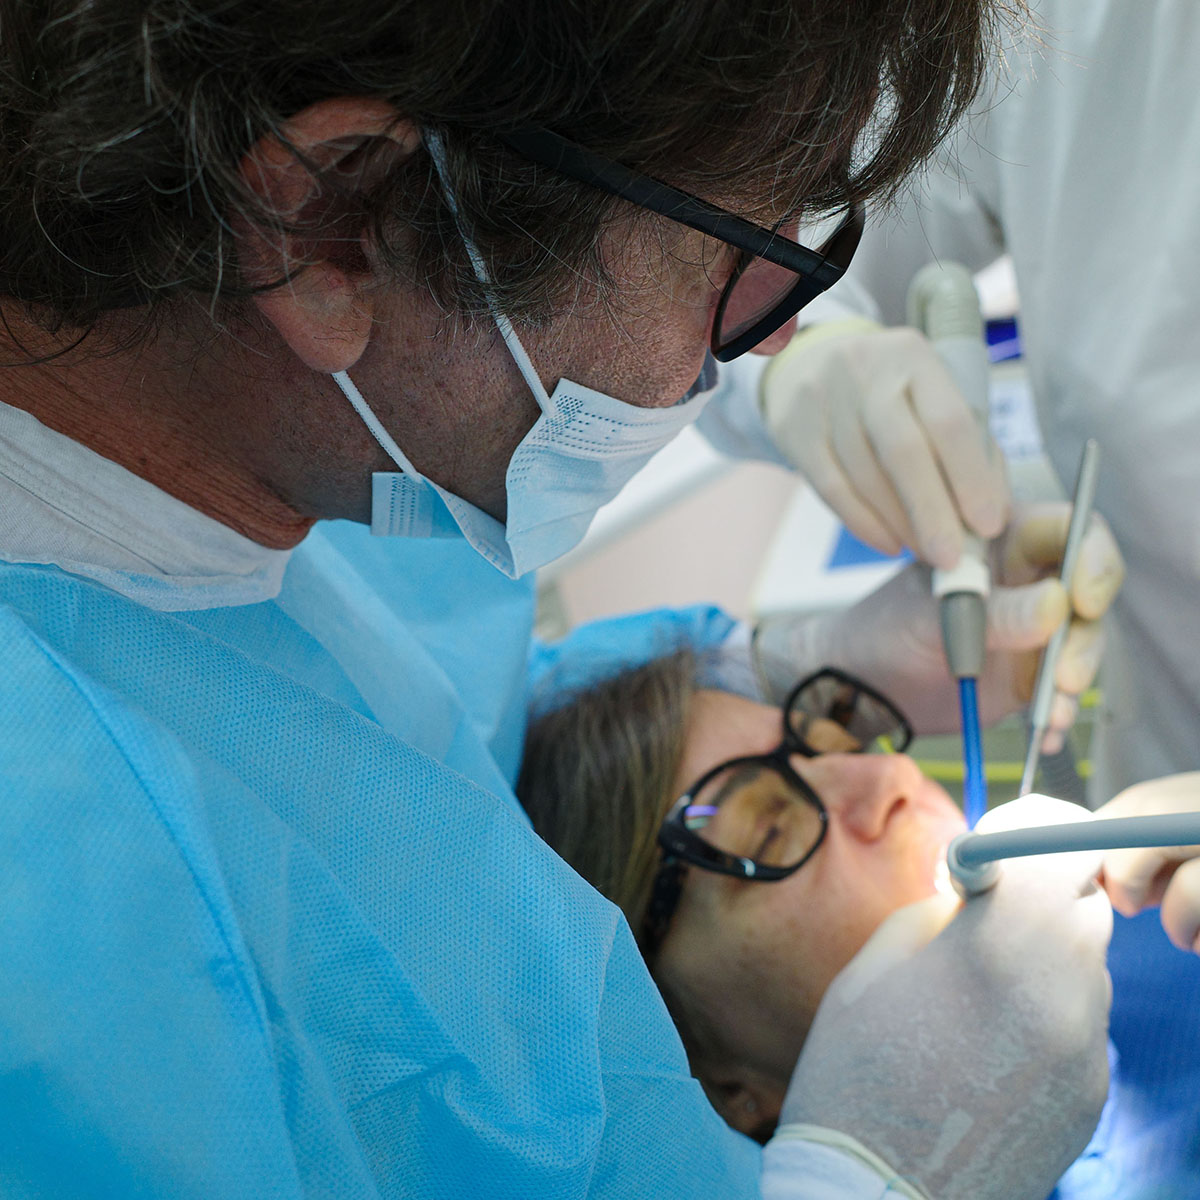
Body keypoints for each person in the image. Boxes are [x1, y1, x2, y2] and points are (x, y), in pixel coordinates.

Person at [0, 1, 1121, 1196]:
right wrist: (880, 1175)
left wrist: (774, 674)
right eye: (746, 261)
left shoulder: (289, 457)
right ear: (336, 227)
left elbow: (371, 752)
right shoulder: (71, 957)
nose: (778, 342)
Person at [702, 0, 1200, 941]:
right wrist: (806, 364)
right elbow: (754, 260)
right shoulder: (1070, 27)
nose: (887, 801)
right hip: (1156, 855)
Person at [517, 639, 1200, 1199]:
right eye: (770, 835)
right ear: (721, 1082)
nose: (889, 779)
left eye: (840, 747)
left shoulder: (1151, 917)